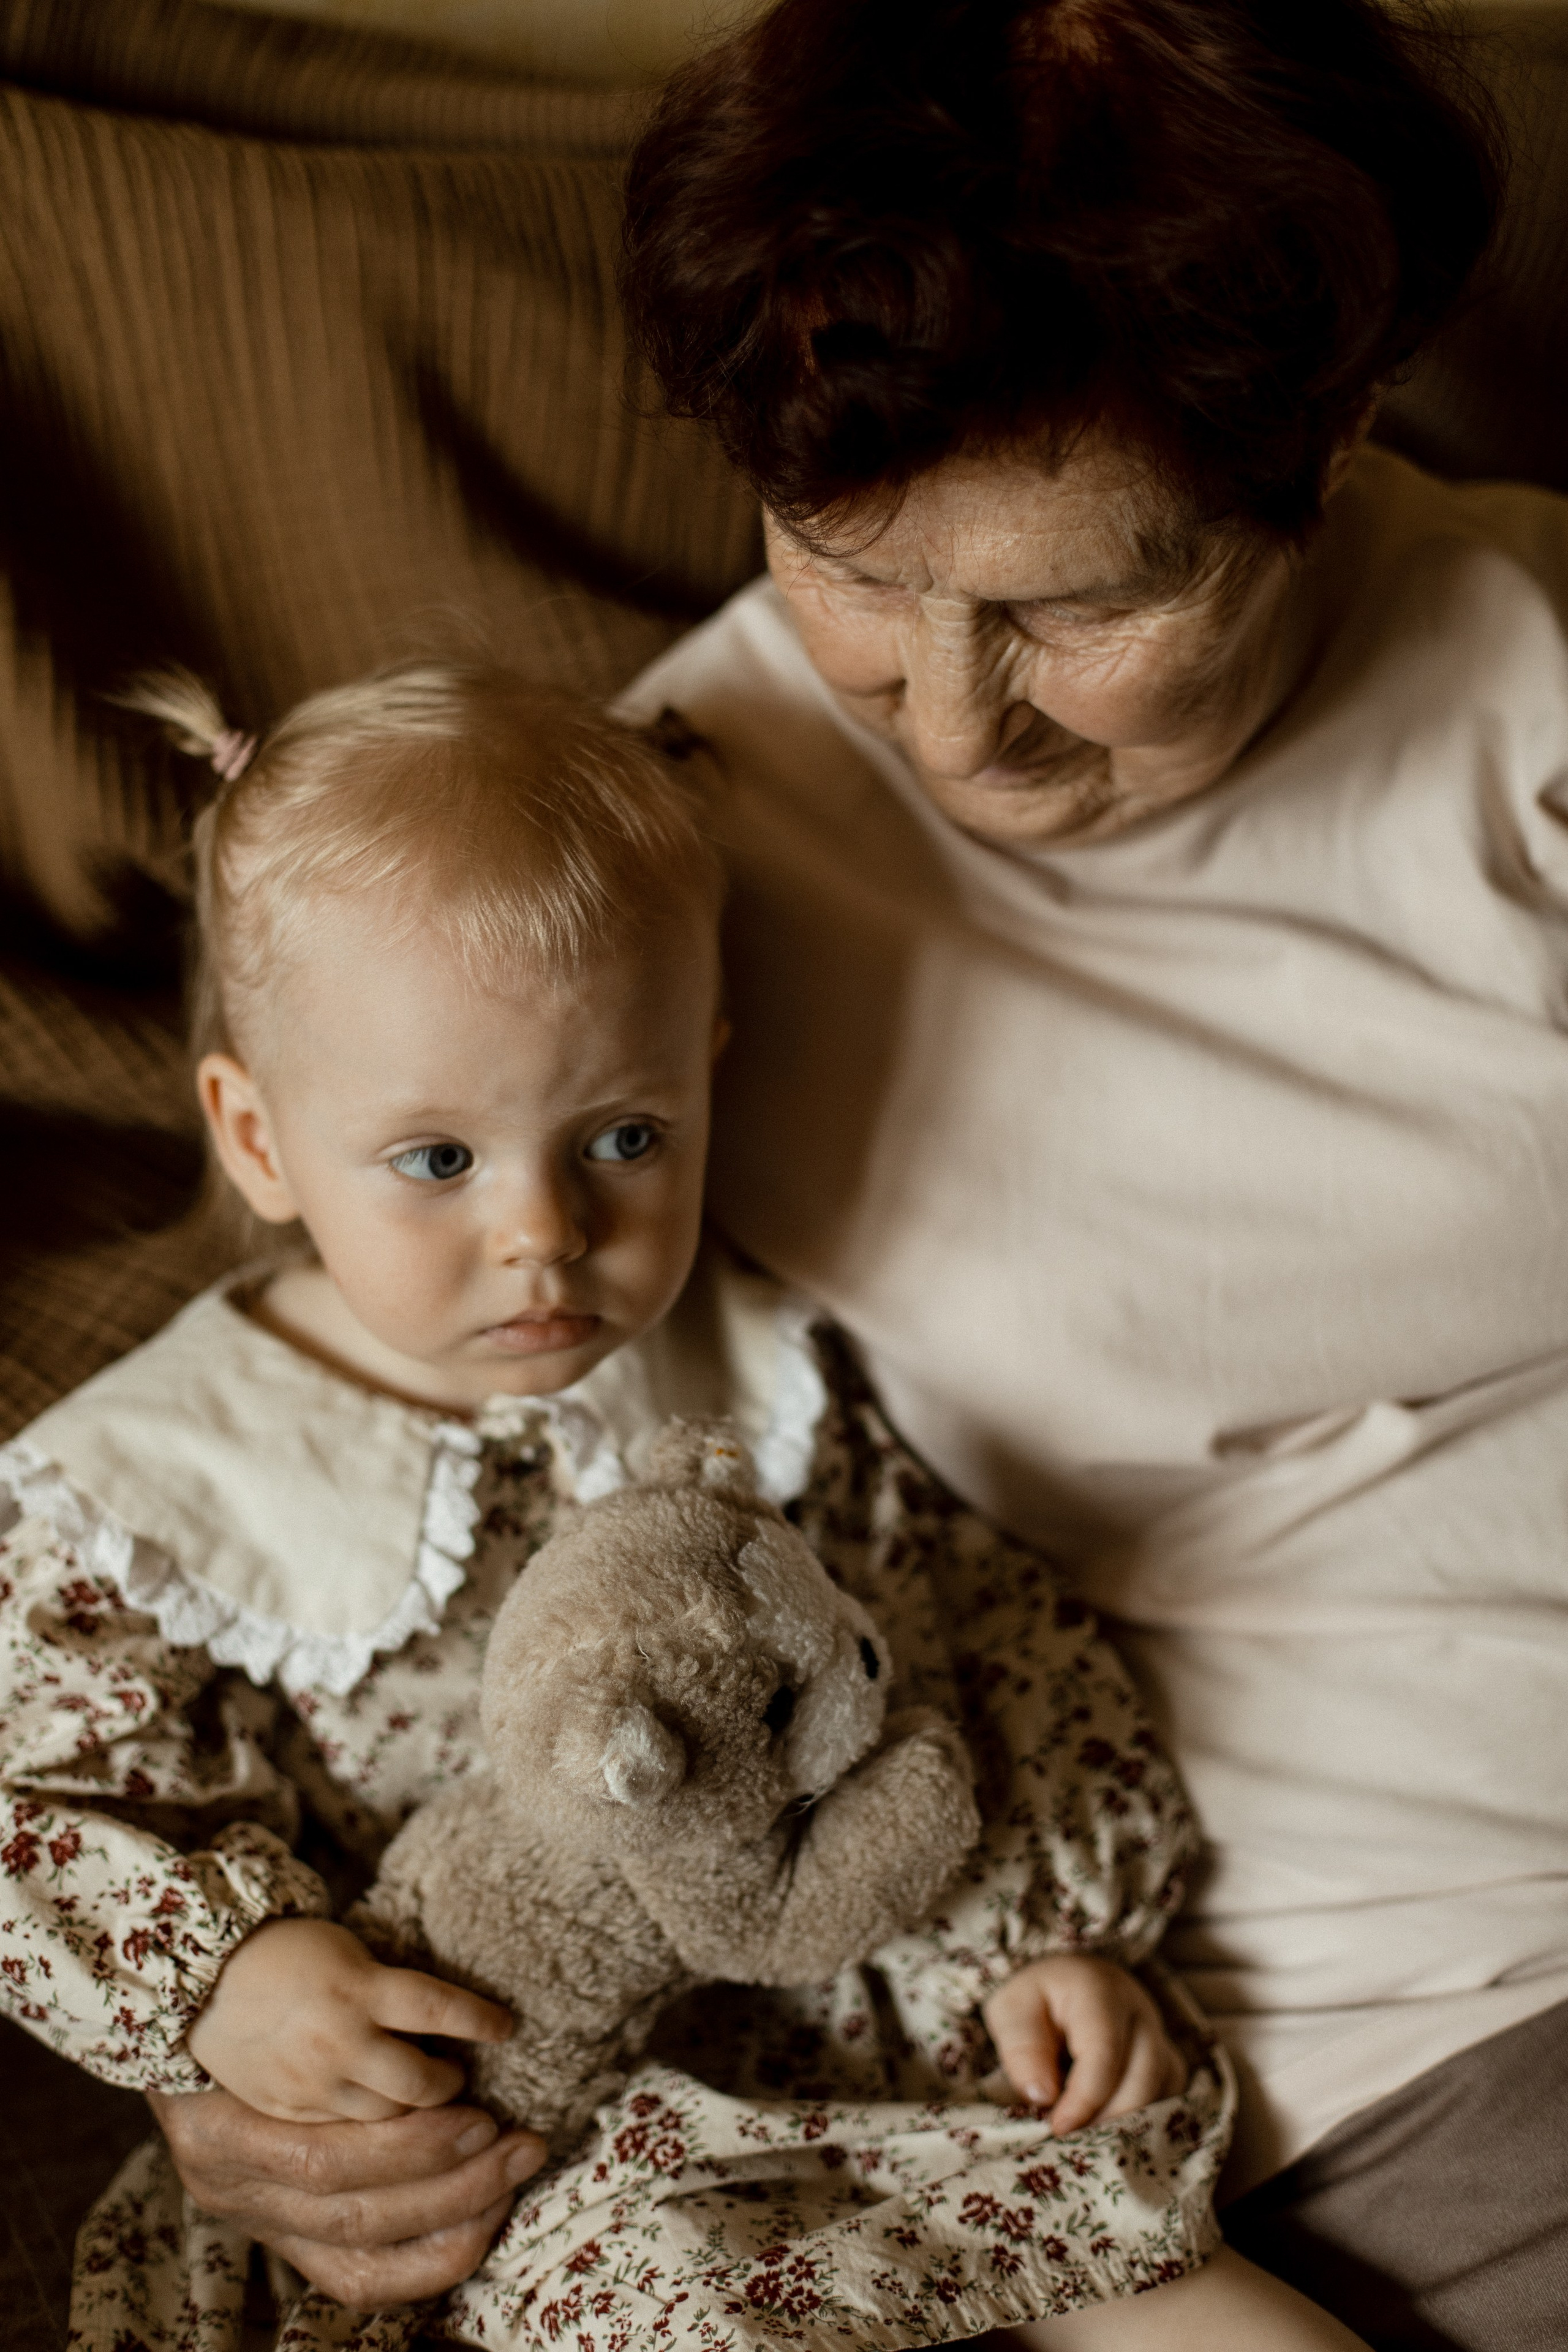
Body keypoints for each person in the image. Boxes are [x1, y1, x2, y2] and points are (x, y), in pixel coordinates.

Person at [0, 662, 1367, 2350]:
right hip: (518, 2143)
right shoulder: (153, 1490)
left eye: (627, 1136)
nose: (547, 1232)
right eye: (439, 1160)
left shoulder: (754, 1374)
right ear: (258, 1136)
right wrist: (221, 1978)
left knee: (1157, 2280)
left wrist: (1042, 1940)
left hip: (871, 2046)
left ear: (709, 1074)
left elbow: (949, 1641)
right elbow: (38, 1801)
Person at [605, 0, 1568, 2344]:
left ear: (1330, 437)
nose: (952, 720)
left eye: (1076, 604)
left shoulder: (1532, 683)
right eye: (850, 567)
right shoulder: (632, 868)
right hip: (1408, 2030)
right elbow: (382, 1446)